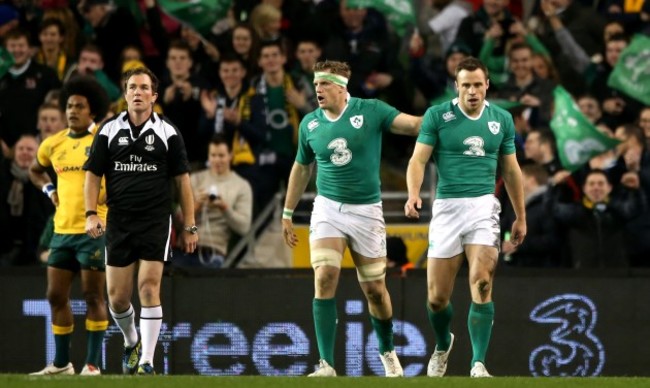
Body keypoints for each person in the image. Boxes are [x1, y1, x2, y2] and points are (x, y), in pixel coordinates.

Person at [281, 60, 421, 377]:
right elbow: (301, 168)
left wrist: (445, 118)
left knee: (374, 291)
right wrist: (287, 212)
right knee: (325, 276)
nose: (318, 89)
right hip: (328, 208)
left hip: (367, 212)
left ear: (342, 87)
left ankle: (387, 350)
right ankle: (326, 364)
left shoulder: (370, 110)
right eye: (316, 84)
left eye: (325, 84)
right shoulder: (310, 125)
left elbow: (413, 125)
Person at [404, 57, 526, 378]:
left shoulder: (501, 120)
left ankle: (478, 363)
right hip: (446, 208)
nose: (472, 91)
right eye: (466, 85)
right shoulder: (437, 116)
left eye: (477, 84)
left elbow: (511, 171)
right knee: (436, 300)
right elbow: (418, 160)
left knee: (482, 280)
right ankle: (444, 343)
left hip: (484, 206)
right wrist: (414, 194)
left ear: (487, 85)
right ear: (456, 87)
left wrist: (520, 217)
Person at [83, 67, 198, 375]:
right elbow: (92, 174)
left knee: (148, 288)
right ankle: (131, 339)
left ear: (154, 96)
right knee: (117, 299)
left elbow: (183, 181)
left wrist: (189, 225)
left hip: (155, 222)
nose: (137, 92)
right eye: (132, 87)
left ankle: (147, 361)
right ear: (125, 94)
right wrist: (91, 213)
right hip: (118, 221)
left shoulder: (168, 132)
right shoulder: (108, 131)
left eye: (144, 87)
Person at [29, 76, 110, 376]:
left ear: (93, 111)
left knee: (93, 297)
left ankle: (92, 365)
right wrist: (49, 190)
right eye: (69, 106)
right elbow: (35, 170)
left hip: (93, 232)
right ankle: (62, 364)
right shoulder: (54, 144)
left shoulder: (103, 141)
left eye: (80, 106)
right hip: (62, 232)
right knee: (55, 296)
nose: (73, 111)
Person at [178, 134, 252, 268]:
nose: (217, 160)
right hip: (185, 248)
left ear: (231, 155)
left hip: (214, 252)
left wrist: (224, 208)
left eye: (221, 156)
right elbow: (177, 219)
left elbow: (244, 227)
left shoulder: (241, 185)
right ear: (208, 156)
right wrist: (196, 205)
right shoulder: (195, 179)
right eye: (213, 155)